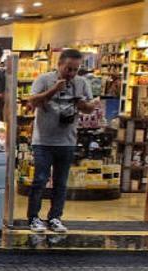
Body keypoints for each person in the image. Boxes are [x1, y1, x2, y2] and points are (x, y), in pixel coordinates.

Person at [25, 48, 99, 234]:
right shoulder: (44, 79)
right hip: (43, 140)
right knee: (40, 180)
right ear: (59, 65)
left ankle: (55, 217)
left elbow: (89, 108)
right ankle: (33, 217)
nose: (72, 73)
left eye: (75, 69)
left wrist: (85, 105)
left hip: (67, 140)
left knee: (61, 182)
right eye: (68, 69)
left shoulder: (82, 83)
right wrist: (53, 90)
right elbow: (31, 101)